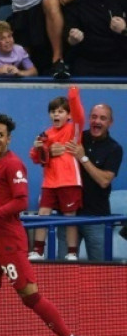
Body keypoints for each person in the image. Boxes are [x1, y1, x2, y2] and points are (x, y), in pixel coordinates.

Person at [0, 114, 86, 336]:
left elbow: (21, 202)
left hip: (10, 243)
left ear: (8, 139)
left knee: (30, 297)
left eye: (0, 135)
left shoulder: (12, 164)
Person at [29, 87, 85, 261]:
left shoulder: (73, 130)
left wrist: (73, 96)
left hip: (69, 182)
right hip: (49, 183)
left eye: (61, 111)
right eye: (53, 112)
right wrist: (39, 148)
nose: (56, 115)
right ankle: (38, 250)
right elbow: (35, 158)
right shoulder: (45, 134)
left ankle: (72, 252)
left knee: (70, 217)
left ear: (68, 115)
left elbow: (79, 115)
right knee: (42, 214)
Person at [67, 104, 122, 261]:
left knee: (99, 272)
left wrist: (83, 158)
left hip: (97, 218)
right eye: (94, 117)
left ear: (110, 122)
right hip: (69, 216)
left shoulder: (114, 149)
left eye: (102, 118)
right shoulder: (77, 139)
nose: (97, 121)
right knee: (62, 269)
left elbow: (104, 181)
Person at [63, 0, 127, 76]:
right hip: (87, 62)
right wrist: (72, 39)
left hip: (120, 61)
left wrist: (124, 29)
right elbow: (68, 30)